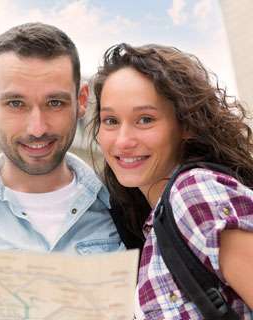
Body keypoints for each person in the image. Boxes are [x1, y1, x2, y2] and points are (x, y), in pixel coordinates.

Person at [89, 43, 253, 319]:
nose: (123, 141)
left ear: (186, 125)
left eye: (144, 119)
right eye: (111, 121)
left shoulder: (193, 193)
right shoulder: (155, 225)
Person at [0, 22, 124, 255]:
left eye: (55, 103)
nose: (37, 129)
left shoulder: (131, 212)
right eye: (16, 104)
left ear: (82, 100)